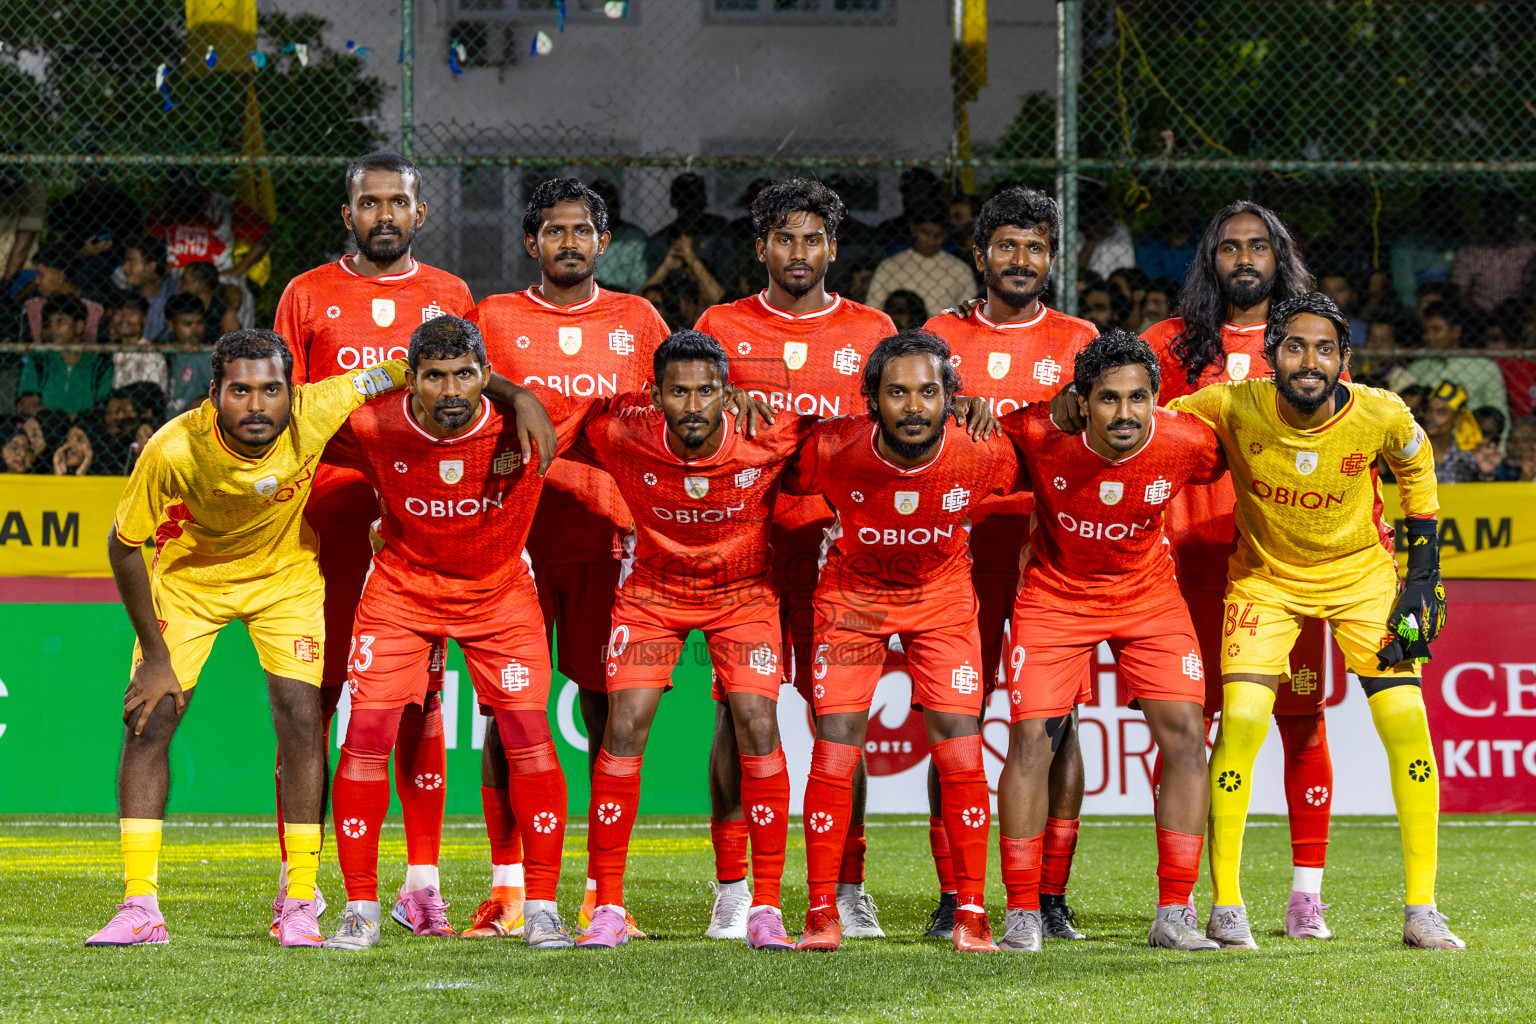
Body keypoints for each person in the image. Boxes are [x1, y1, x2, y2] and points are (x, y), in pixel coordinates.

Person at [82, 330, 410, 948]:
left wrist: (513, 395)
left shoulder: (317, 408)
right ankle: (140, 904)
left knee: (302, 720)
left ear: (293, 392)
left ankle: (301, 898)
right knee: (148, 720)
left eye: (270, 389)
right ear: (214, 394)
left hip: (284, 579)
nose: (257, 404)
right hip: (190, 581)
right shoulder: (174, 447)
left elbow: (405, 368)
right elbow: (123, 546)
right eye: (240, 390)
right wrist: (155, 657)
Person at [1168, 292, 1461, 950]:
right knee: (1241, 723)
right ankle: (1228, 906)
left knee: (1406, 723)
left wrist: (1422, 579)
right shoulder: (1231, 402)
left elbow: (1419, 472)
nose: (1310, 360)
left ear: (1344, 359)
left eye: (1325, 348)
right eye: (1295, 346)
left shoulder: (1381, 412)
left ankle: (1422, 910)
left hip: (1362, 580)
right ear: (1271, 355)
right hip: (1265, 583)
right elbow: (1157, 427)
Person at [316, 316, 575, 951]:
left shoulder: (534, 420)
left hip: (500, 595)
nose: (451, 389)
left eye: (465, 374)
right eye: (434, 376)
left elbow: (642, 413)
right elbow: (292, 425)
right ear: (413, 379)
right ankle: (360, 909)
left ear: (486, 376)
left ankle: (541, 906)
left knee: (529, 739)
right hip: (401, 591)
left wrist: (521, 399)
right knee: (366, 736)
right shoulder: (373, 425)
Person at [272, 151, 478, 936]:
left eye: (398, 202)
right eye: (370, 202)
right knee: (311, 705)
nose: (384, 214)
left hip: (415, 529)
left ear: (420, 213)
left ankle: (420, 884)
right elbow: (280, 412)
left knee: (415, 707)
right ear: (348, 214)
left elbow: (463, 408)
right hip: (324, 526)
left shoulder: (448, 296)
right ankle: (301, 886)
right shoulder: (307, 295)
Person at [695, 177, 896, 941]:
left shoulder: (872, 329)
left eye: (813, 239)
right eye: (785, 239)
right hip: (743, 551)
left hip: (840, 551)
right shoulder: (720, 325)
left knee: (838, 721)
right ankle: (733, 887)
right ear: (761, 248)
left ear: (833, 249)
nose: (799, 252)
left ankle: (848, 885)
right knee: (737, 715)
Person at [469, 177, 670, 938]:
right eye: (553, 231)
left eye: (581, 230)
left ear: (602, 241)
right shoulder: (493, 318)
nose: (568, 243)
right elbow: (460, 400)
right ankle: (508, 886)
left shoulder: (638, 319)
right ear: (531, 242)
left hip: (606, 541)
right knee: (509, 714)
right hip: (511, 540)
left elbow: (664, 418)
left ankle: (598, 889)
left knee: (607, 711)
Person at [1138, 199, 1340, 938]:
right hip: (1187, 565)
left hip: (1287, 567)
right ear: (1211, 260)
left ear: (1279, 257)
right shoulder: (1167, 345)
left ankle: (1304, 896)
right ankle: (1186, 899)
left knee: (1301, 725)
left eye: (1259, 246)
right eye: (1230, 248)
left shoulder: (1310, 342)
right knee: (1190, 731)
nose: (1245, 259)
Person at [573, 331, 811, 952]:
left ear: (728, 393)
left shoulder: (772, 433)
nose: (694, 405)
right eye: (678, 392)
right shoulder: (621, 433)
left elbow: (839, 440)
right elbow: (553, 420)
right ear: (656, 396)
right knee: (624, 726)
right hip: (653, 594)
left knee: (758, 722)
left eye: (708, 391)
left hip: (744, 595)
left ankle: (764, 906)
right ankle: (608, 905)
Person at [998, 330, 1223, 952]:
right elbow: (989, 428)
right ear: (1083, 399)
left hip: (1148, 597)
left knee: (1184, 734)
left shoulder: (1186, 441)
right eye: (1108, 399)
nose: (1125, 414)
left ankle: (1174, 913)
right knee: (1030, 743)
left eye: (1139, 398)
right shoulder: (1041, 433)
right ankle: (1022, 911)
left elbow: (1229, 455)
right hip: (1055, 596)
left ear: (1157, 399)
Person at [792, 329, 1013, 954]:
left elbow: (1044, 457)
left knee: (962, 751)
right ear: (871, 400)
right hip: (852, 601)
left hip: (941, 601)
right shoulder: (831, 448)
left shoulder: (985, 450)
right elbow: (773, 468)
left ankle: (972, 910)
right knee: (835, 749)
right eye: (897, 393)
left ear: (952, 399)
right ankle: (820, 910)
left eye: (927, 392)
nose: (913, 406)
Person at [922, 185, 1096, 943]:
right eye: (1007, 246)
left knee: (1057, 730)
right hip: (958, 557)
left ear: (1051, 259)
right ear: (980, 253)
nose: (1020, 260)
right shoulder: (937, 335)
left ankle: (1049, 896)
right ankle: (956, 891)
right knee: (956, 732)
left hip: (1051, 559)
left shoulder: (1080, 339)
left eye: (1035, 248)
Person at [865, 199, 979, 316]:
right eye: (926, 233)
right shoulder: (890, 266)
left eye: (938, 235)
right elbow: (873, 311)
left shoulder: (960, 270)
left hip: (943, 332)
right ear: (913, 229)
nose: (932, 240)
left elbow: (969, 315)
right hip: (899, 332)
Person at [1402, 301, 1509, 424]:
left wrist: (1497, 443)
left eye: (1436, 330)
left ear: (1456, 331)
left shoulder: (1485, 367)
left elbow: (1499, 414)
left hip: (1472, 439)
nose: (1428, 337)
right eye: (1426, 331)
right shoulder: (1416, 369)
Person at [47, 171, 143, 301]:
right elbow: (52, 251)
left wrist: (122, 250)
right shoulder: (65, 206)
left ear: (107, 176)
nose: (93, 181)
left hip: (117, 265)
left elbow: (137, 243)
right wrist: (82, 252)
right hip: (77, 267)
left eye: (99, 175)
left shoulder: (125, 204)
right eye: (87, 175)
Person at [644, 172, 733, 299]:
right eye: (684, 198)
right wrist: (665, 267)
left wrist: (691, 258)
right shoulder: (661, 241)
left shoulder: (718, 234)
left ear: (703, 200)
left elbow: (725, 295)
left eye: (694, 197)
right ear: (674, 201)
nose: (690, 204)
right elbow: (644, 297)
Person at [19, 294, 112, 414]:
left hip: (85, 428)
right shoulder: (39, 360)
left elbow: (103, 406)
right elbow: (28, 402)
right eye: (49, 324)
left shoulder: (99, 364)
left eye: (60, 322)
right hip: (47, 426)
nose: (53, 330)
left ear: (79, 326)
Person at [22, 243, 105, 344]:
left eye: (41, 275)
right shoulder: (33, 304)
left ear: (61, 276)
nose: (36, 281)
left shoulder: (94, 306)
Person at [590, 179, 649, 295]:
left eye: (610, 204)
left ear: (617, 206)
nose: (606, 211)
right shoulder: (577, 236)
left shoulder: (633, 237)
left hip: (621, 297)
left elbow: (639, 283)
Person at [1418, 381, 1482, 484]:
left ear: (1457, 419)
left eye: (1441, 412)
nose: (1430, 417)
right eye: (1429, 410)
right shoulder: (1411, 452)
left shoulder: (1467, 457)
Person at [162, 293, 213, 419]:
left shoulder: (206, 356)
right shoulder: (161, 351)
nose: (195, 330)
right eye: (187, 324)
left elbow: (222, 395)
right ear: (171, 325)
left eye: (199, 323)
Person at [119, 235, 178, 342]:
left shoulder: (175, 292)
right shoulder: (125, 298)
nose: (124, 267)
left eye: (131, 261)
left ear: (151, 266)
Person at [179, 260, 240, 339]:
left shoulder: (223, 312)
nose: (178, 286)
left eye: (184, 281)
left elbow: (234, 346)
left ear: (198, 284)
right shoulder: (181, 307)